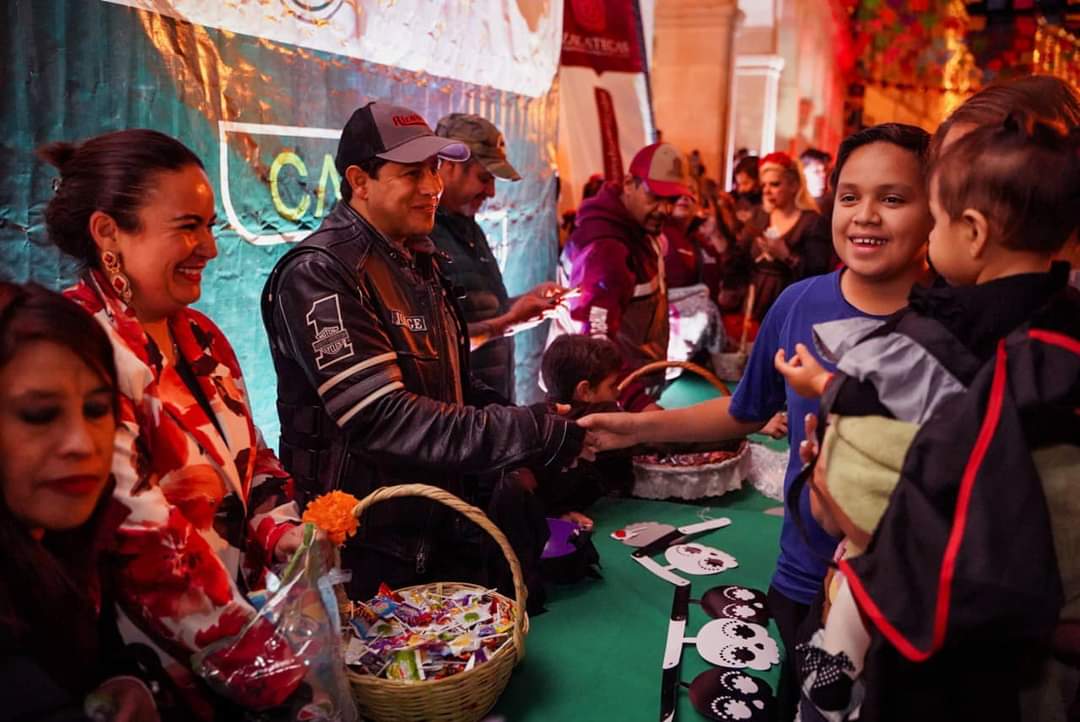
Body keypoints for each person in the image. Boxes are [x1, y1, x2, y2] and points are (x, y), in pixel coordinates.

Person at [579, 123, 936, 721]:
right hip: (800, 581)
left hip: (906, 601)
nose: (866, 216)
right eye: (850, 197)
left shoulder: (952, 326)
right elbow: (744, 411)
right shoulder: (799, 303)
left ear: (936, 210)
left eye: (893, 198)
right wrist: (634, 428)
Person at [777, 114, 1080, 722]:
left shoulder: (923, 342)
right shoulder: (1063, 335)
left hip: (915, 633)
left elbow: (847, 505)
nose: (866, 215)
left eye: (926, 212)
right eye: (849, 196)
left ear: (970, 232)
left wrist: (826, 459)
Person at [261, 101, 589, 601]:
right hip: (366, 549)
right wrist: (526, 430)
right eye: (413, 173)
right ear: (359, 180)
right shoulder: (319, 273)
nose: (433, 186)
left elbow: (446, 384)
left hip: (432, 530)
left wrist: (537, 421)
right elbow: (384, 417)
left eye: (435, 169)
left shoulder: (415, 258)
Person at [39, 129, 306, 716]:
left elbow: (253, 462)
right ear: (109, 233)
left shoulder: (203, 335)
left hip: (249, 647)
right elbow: (146, 549)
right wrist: (273, 674)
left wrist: (286, 535)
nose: (210, 248)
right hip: (148, 681)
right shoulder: (75, 349)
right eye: (188, 226)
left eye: (210, 225)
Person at [0, 283, 159, 722]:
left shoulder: (63, 542)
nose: (81, 443)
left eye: (96, 409)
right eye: (39, 415)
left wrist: (125, 681)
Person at [430, 113, 565, 402]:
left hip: (489, 413)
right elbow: (431, 345)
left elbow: (479, 312)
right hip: (455, 421)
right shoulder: (420, 237)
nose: (491, 192)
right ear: (450, 165)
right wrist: (510, 322)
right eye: (484, 178)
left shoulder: (469, 228)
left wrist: (525, 303)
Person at [547, 142, 690, 410]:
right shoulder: (606, 249)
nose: (664, 209)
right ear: (628, 184)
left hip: (623, 390)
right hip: (602, 402)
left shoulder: (639, 232)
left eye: (671, 200)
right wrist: (637, 403)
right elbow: (595, 342)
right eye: (654, 196)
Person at [536, 334, 633, 529]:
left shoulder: (538, 417)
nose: (618, 392)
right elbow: (650, 438)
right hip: (599, 514)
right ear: (585, 390)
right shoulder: (604, 417)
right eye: (612, 385)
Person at [750, 152, 833, 321]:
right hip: (757, 302)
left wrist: (786, 256)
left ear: (794, 185)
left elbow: (817, 274)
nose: (766, 191)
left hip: (793, 304)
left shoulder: (812, 222)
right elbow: (740, 257)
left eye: (774, 184)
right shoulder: (759, 216)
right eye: (763, 185)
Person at [800, 147, 833, 212]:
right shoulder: (793, 206)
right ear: (802, 173)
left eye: (825, 170)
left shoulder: (832, 204)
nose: (824, 175)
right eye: (816, 171)